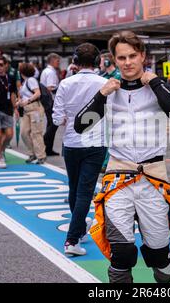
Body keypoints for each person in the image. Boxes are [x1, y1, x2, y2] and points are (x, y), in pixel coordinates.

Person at [75, 31, 170, 283]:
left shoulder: (158, 85)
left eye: (133, 55)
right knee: (121, 253)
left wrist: (153, 82)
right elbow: (80, 125)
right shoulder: (108, 88)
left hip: (152, 179)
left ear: (142, 55)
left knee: (158, 256)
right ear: (114, 60)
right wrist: (101, 95)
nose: (128, 62)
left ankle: (162, 263)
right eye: (122, 57)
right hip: (118, 177)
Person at [52, 43, 108, 256]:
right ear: (96, 61)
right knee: (85, 191)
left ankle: (79, 230)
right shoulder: (105, 83)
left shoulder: (66, 83)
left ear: (75, 61)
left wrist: (68, 118)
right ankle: (72, 240)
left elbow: (57, 118)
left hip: (72, 143)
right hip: (95, 144)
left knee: (74, 188)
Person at [17, 63, 46, 164]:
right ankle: (32, 153)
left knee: (36, 133)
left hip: (35, 109)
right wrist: (20, 102)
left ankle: (40, 155)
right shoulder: (25, 82)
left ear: (22, 72)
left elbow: (38, 93)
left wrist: (28, 101)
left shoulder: (31, 80)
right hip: (26, 110)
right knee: (24, 133)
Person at [40, 53, 61, 156]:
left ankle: (48, 148)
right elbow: (50, 87)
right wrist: (61, 88)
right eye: (57, 61)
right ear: (52, 61)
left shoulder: (46, 71)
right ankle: (44, 144)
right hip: (50, 101)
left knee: (51, 124)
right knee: (53, 124)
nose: (59, 63)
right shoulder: (51, 72)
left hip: (46, 101)